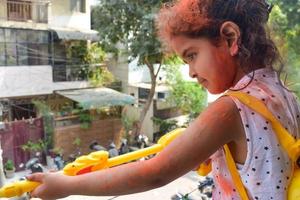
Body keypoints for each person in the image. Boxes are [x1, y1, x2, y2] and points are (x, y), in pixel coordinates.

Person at [27, 0, 300, 199]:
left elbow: (155, 173)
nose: (191, 72)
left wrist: (66, 186)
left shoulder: (229, 110)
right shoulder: (282, 94)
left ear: (229, 38)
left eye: (192, 55)